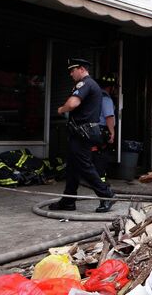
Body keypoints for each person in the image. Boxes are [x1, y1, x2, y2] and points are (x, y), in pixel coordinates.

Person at [50, 58, 115, 213]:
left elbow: (72, 104)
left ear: (80, 69)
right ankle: (68, 200)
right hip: (81, 132)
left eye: (72, 71)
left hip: (83, 133)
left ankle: (107, 194)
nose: (71, 74)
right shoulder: (90, 85)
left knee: (85, 166)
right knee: (73, 167)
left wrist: (60, 109)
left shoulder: (86, 83)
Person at [93, 74, 117, 182]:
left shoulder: (94, 97)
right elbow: (109, 117)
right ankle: (101, 180)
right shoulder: (106, 99)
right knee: (102, 155)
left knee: (94, 153)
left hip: (92, 129)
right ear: (110, 87)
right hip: (102, 129)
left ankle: (94, 178)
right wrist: (112, 132)